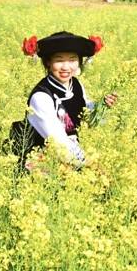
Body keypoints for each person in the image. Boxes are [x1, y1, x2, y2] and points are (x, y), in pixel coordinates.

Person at [12, 32, 116, 169]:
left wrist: (101, 107)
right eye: (59, 60)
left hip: (73, 159)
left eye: (72, 60)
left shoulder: (76, 85)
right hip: (45, 166)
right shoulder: (41, 97)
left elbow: (86, 118)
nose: (66, 67)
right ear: (48, 62)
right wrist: (89, 163)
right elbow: (58, 143)